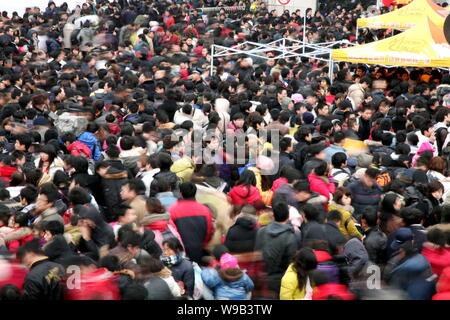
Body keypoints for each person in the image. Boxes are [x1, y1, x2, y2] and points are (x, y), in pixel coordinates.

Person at [255, 201, 298, 298]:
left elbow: (257, 254)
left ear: (273, 216)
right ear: (288, 217)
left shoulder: (261, 231)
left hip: (261, 278)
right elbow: (290, 263)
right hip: (279, 281)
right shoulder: (291, 237)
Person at [168, 182, 213, 264]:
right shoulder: (205, 210)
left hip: (180, 252)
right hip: (199, 249)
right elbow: (209, 231)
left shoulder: (172, 210)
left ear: (181, 193)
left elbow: (171, 232)